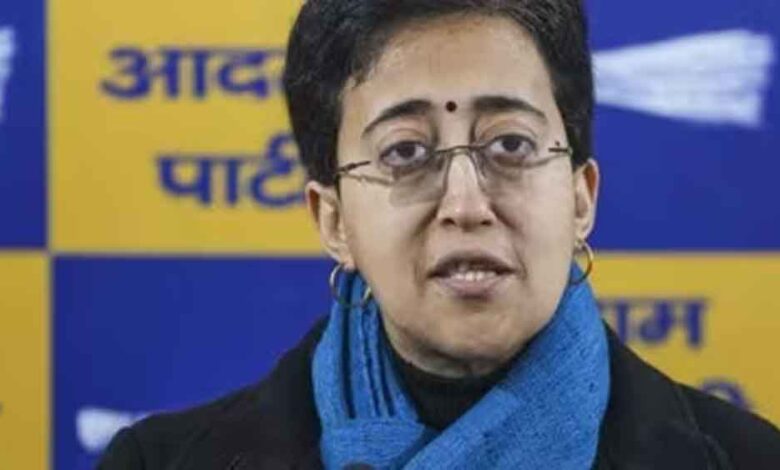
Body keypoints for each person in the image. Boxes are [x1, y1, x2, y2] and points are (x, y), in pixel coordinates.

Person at [99, 1, 780, 468]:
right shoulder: (163, 462)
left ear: (581, 198)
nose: (465, 204)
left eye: (510, 145)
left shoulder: (749, 459)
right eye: (405, 153)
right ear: (334, 221)